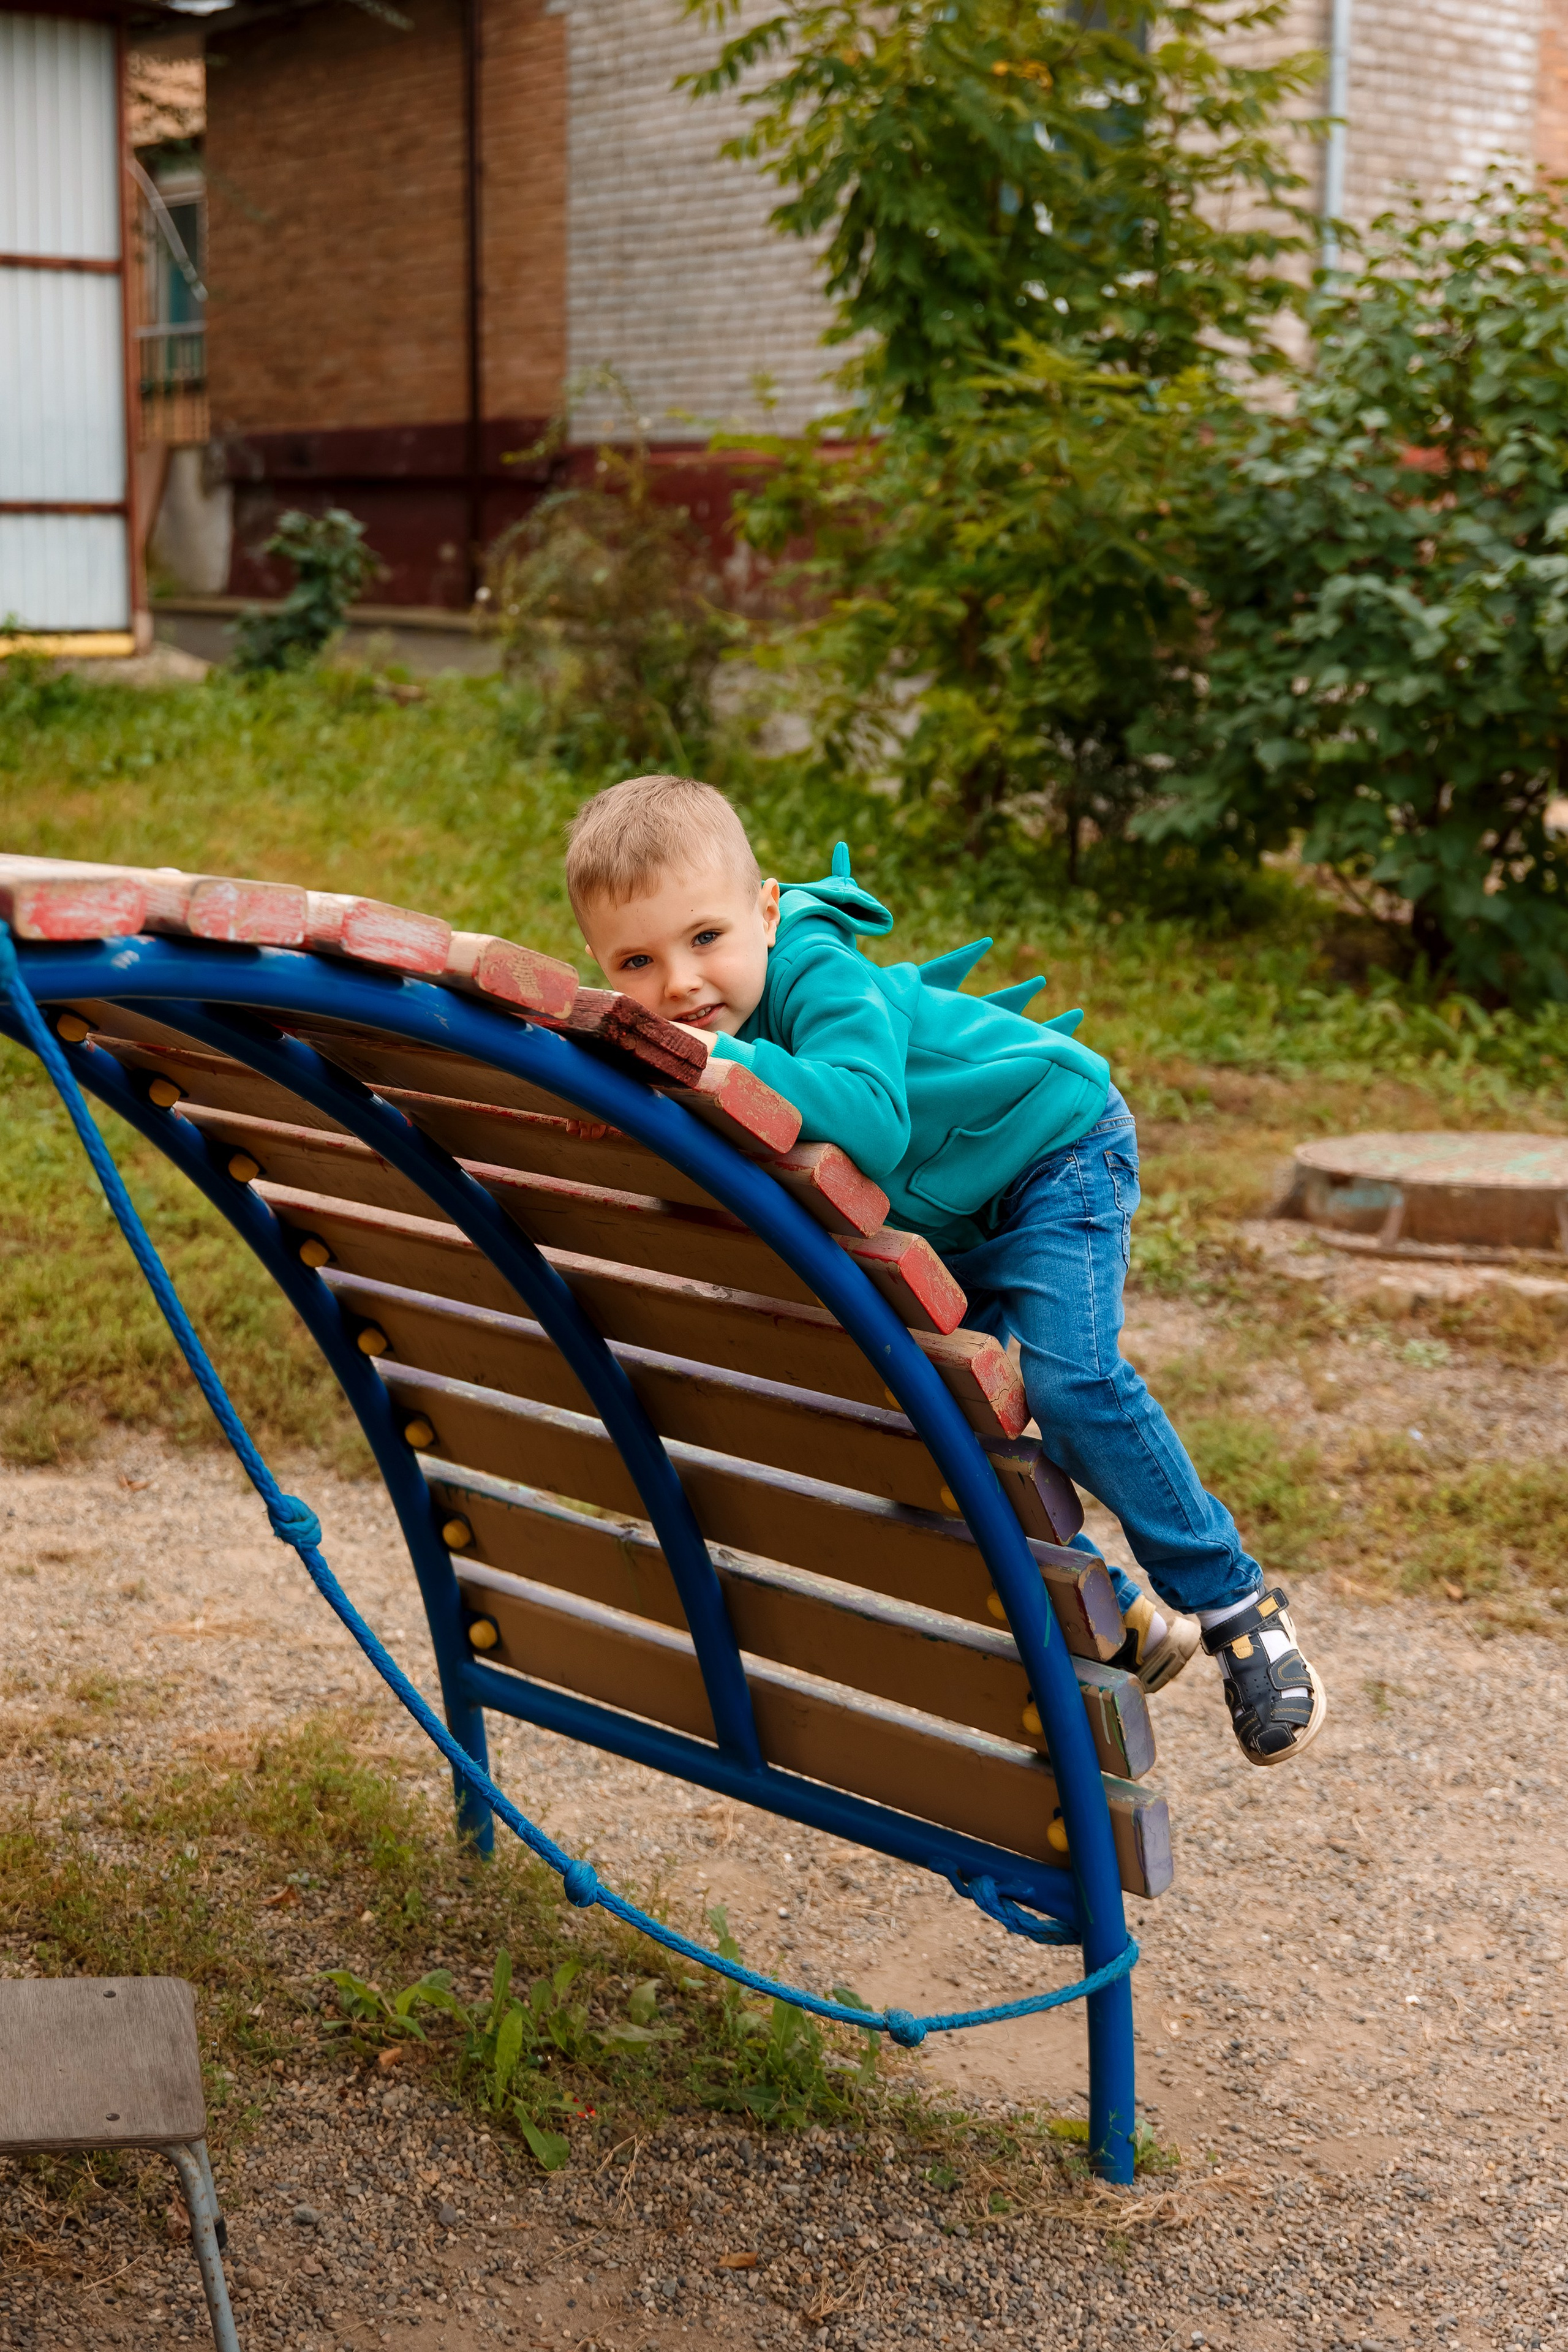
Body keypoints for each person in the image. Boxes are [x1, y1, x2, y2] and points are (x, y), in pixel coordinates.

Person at [565, 772, 1327, 1768]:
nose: (679, 986)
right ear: (600, 962)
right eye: (637, 962)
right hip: (948, 1223)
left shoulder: (812, 971)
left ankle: (1235, 1607)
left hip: (1051, 1154)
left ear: (765, 910)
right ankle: (1111, 1608)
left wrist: (718, 1069)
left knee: (1072, 1380)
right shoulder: (692, 1036)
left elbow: (873, 1124)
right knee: (922, 1418)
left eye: (705, 939)